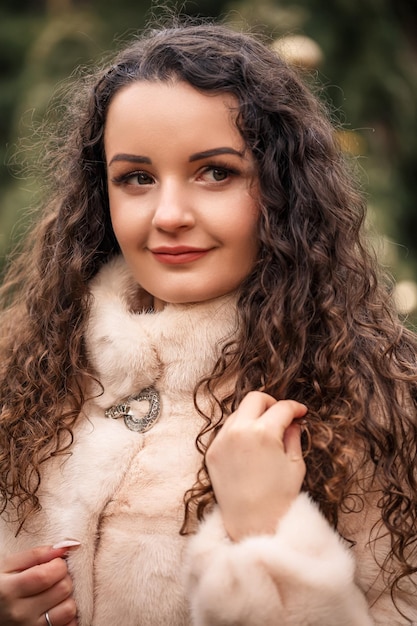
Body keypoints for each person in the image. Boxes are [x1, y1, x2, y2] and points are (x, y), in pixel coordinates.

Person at [0, 18, 416, 626]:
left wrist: (266, 534)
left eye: (216, 172)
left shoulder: (379, 404)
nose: (169, 214)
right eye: (136, 178)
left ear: (282, 188)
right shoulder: (26, 376)